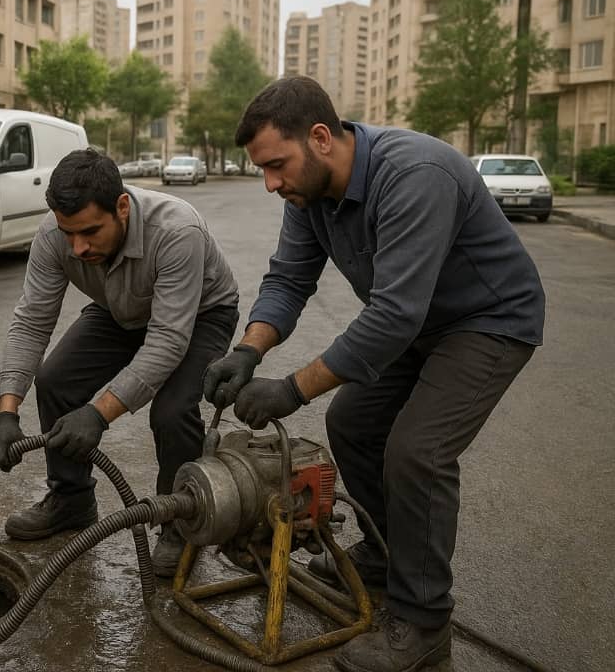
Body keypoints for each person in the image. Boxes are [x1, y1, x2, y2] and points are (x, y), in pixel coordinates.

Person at [202, 76, 544, 672]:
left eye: (277, 165)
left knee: (418, 451)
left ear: (319, 138)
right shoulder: (310, 196)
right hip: (417, 325)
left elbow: (393, 315)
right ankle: (388, 556)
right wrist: (248, 351)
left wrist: (289, 389)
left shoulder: (415, 173)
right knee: (354, 422)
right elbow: (288, 279)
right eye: (263, 170)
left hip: (488, 320)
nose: (272, 183)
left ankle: (423, 618)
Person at [0, 148, 239, 577]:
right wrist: (5, 413)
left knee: (172, 411)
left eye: (91, 232)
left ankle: (179, 519)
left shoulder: (177, 229)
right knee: (56, 380)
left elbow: (168, 341)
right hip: (120, 308)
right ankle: (71, 500)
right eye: (69, 234)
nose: (78, 247)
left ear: (121, 207)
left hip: (199, 314)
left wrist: (99, 414)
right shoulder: (54, 235)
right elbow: (31, 322)